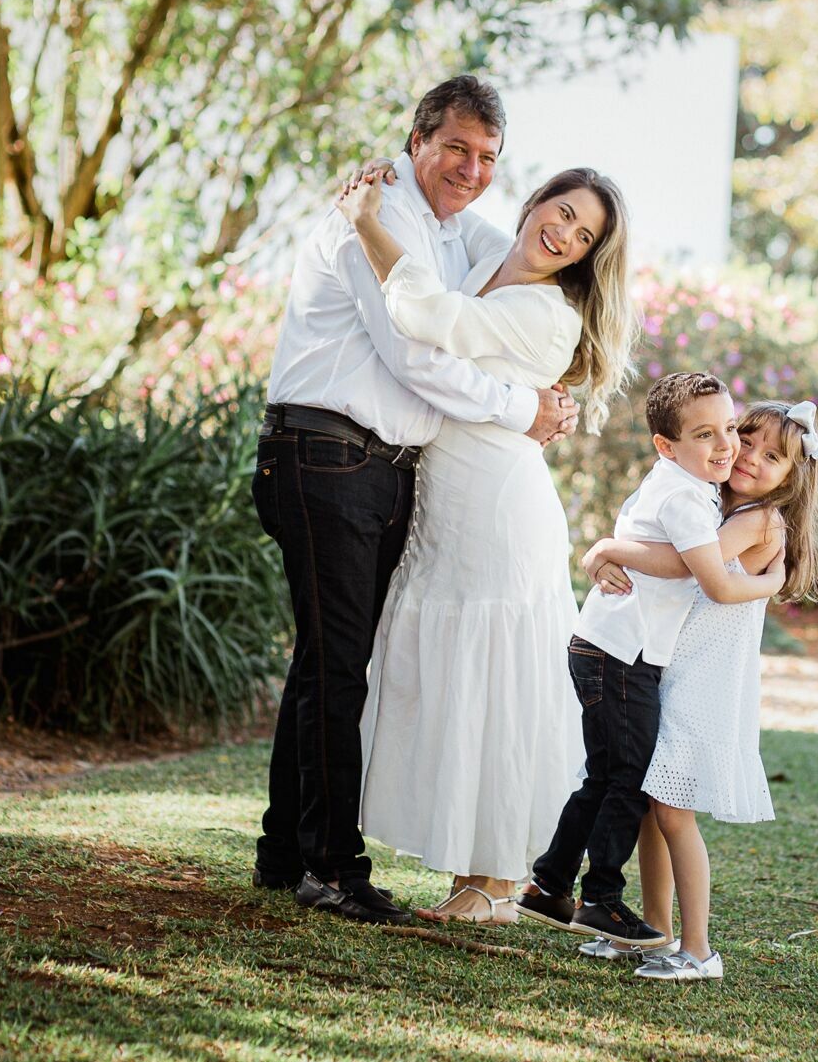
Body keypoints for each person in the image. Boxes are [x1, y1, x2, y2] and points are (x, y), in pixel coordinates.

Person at [251, 76, 579, 925]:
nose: (470, 170)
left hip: (379, 468)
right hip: (325, 452)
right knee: (336, 667)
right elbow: (415, 356)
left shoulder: (445, 228)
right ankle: (332, 867)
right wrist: (527, 409)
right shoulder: (387, 214)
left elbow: (503, 252)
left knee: (326, 660)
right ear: (417, 138)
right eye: (456, 149)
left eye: (488, 158)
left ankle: (285, 849)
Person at [337, 161, 636, 923]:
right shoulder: (481, 257)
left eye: (583, 234)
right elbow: (450, 217)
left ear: (588, 256)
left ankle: (496, 881)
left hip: (499, 507)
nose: (563, 233)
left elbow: (428, 318)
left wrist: (364, 219)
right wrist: (398, 181)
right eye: (561, 210)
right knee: (453, 680)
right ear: (534, 200)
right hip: (449, 502)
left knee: (496, 684)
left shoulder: (548, 312)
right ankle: (480, 875)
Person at [517, 373, 787, 948]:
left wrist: (608, 549)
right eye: (707, 435)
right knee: (628, 780)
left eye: (727, 431)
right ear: (668, 445)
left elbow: (667, 558)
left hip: (612, 648)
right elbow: (702, 573)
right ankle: (600, 900)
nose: (727, 447)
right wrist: (774, 582)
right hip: (623, 654)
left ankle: (549, 885)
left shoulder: (686, 486)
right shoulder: (689, 496)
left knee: (609, 776)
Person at [578, 400, 818, 981]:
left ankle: (698, 950)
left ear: (793, 477)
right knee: (649, 802)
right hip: (670, 669)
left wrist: (606, 548)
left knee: (671, 809)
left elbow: (691, 569)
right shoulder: (712, 502)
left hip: (706, 681)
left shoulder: (760, 520)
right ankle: (652, 931)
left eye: (774, 457)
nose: (752, 459)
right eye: (748, 441)